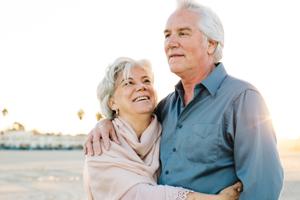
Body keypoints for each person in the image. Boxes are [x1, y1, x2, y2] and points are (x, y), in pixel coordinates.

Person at [85, 0, 284, 199]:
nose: (171, 43)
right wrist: (105, 122)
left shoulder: (243, 99)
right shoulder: (165, 107)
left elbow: (264, 186)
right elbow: (131, 125)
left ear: (211, 44)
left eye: (183, 33)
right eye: (167, 35)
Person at [84, 57, 242, 200]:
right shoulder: (100, 146)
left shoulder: (165, 125)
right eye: (128, 83)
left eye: (146, 81)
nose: (141, 87)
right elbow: (136, 195)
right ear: (112, 103)